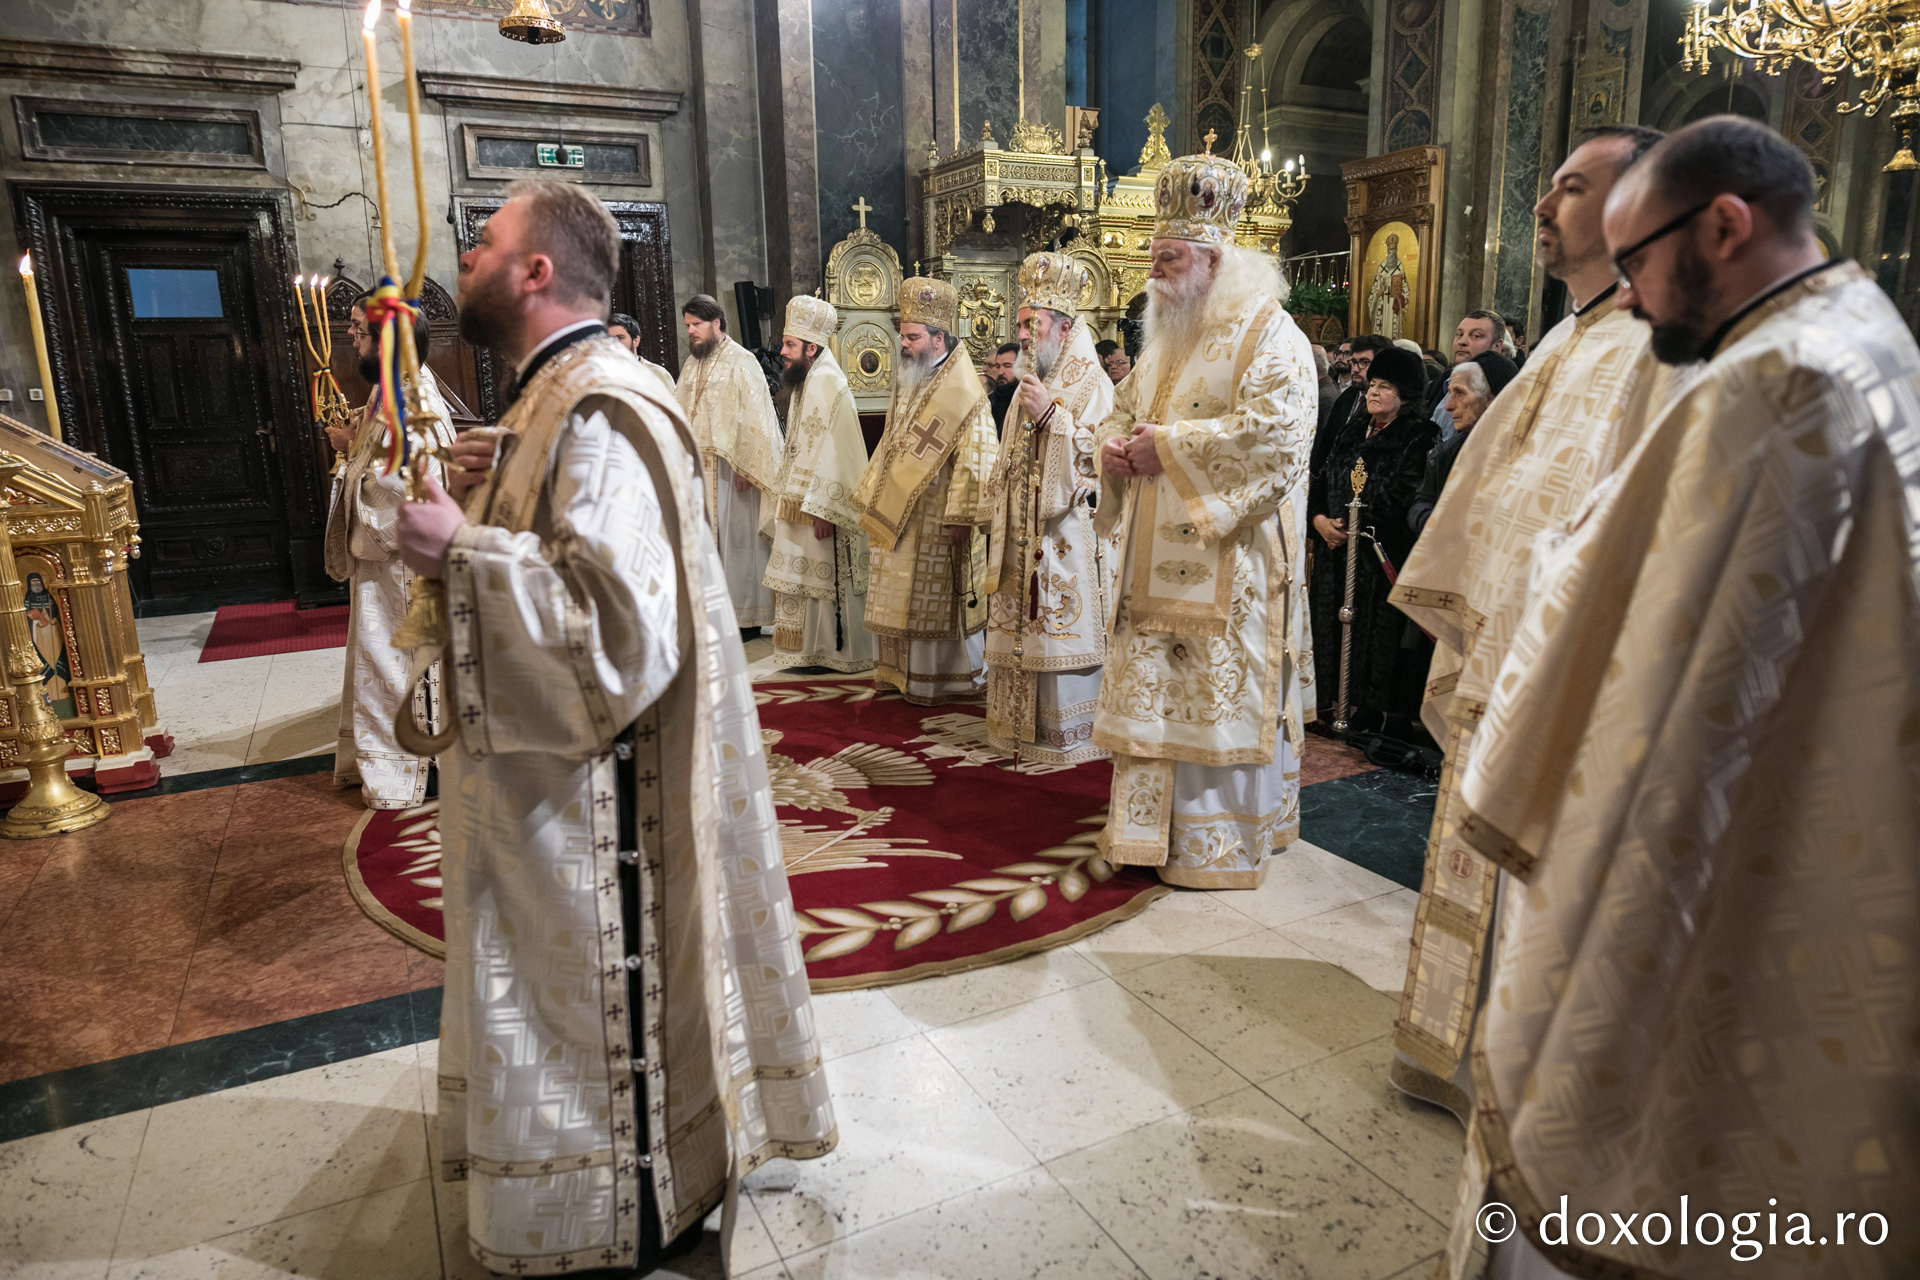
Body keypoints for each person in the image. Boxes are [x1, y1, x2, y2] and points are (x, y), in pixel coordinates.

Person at [1438, 115, 1920, 1280]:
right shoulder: (1865, 326)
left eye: (1641, 258)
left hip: (1730, 834)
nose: (1637, 297)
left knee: (1653, 1110)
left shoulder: (1773, 384)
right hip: (1826, 787)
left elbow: (1660, 692)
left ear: (1724, 224)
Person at [394, 177, 836, 1277]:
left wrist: (462, 549)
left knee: (596, 1025)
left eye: (486, 240)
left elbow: (614, 631)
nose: (470, 253)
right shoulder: (560, 396)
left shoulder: (597, 403)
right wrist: (501, 482)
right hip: (548, 796)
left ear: (537, 271)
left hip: (597, 813)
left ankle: (624, 1193)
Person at [1385, 124, 1677, 1130]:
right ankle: (1457, 1052)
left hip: (1569, 670)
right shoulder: (1571, 332)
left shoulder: (1664, 343)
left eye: (1571, 187)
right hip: (1505, 651)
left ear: (1641, 205)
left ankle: (1524, 1077)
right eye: (1547, 186)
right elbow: (1492, 484)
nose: (1544, 206)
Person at [1091, 151, 1317, 888]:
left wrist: (1170, 451)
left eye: (1170, 256)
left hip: (1231, 564)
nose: (1155, 270)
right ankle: (1144, 834)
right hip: (1151, 556)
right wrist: (1115, 455)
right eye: (1155, 255)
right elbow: (1123, 416)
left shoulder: (1268, 334)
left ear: (1215, 259)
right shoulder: (1165, 339)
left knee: (1212, 693)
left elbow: (1279, 437)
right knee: (1153, 696)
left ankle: (1211, 842)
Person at [982, 252, 1117, 766]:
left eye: (1029, 324)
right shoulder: (1028, 383)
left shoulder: (1094, 384)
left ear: (1062, 328)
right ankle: (1016, 724)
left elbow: (1098, 461)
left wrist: (1053, 420)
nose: (1021, 335)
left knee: (1055, 626)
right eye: (1019, 323)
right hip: (1022, 529)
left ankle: (1069, 733)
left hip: (1066, 537)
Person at [323, 293, 454, 810]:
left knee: (402, 665)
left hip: (402, 566)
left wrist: (346, 461)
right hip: (385, 566)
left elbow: (409, 492)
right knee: (382, 663)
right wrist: (356, 444)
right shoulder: (387, 392)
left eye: (358, 329)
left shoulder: (412, 403)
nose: (351, 337)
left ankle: (415, 770)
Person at [852, 277, 999, 703]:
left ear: (939, 339)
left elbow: (977, 459)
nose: (903, 344)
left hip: (936, 516)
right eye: (902, 335)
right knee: (898, 595)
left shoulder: (966, 393)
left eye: (913, 337)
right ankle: (898, 674)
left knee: (931, 601)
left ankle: (942, 679)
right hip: (898, 510)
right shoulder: (909, 376)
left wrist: (961, 516)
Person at [1306, 344, 1434, 737]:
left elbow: (1404, 493)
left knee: (1373, 638)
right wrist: (1320, 521)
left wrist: (1352, 524)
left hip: (1377, 554)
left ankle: (1368, 709)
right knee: (1331, 628)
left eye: (1386, 386)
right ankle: (1331, 701)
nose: (1375, 392)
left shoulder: (1417, 434)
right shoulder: (1351, 429)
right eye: (1373, 384)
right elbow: (1322, 478)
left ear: (1406, 395)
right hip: (1334, 550)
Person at [764, 294, 874, 673]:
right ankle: (806, 651)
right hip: (799, 506)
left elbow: (841, 453)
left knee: (824, 577)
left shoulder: (830, 384)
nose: (782, 352)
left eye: (789, 345)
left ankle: (833, 651)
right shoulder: (803, 381)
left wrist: (826, 511)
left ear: (812, 347)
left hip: (819, 509)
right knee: (799, 573)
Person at [674, 293, 783, 639]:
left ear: (716, 323)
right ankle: (711, 613)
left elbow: (757, 419)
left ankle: (746, 617)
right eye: (688, 325)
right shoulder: (693, 364)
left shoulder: (743, 361)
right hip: (699, 470)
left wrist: (746, 466)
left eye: (696, 325)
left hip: (733, 468)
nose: (690, 331)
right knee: (707, 542)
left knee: (737, 543)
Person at [1406, 350, 1517, 535]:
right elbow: (1421, 501)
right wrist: (1429, 520)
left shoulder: (1525, 455)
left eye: (1460, 393)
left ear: (1493, 399)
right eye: (1450, 393)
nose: (1448, 405)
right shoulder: (1444, 453)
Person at [1430, 310, 1507, 438]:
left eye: (1476, 336)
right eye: (1459, 334)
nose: (1462, 341)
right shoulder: (1439, 384)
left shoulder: (1503, 388)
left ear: (1497, 346)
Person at [985, 340, 1020, 436]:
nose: (1000, 372)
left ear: (1020, 366)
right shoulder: (989, 401)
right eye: (997, 366)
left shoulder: (1025, 399)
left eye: (1007, 366)